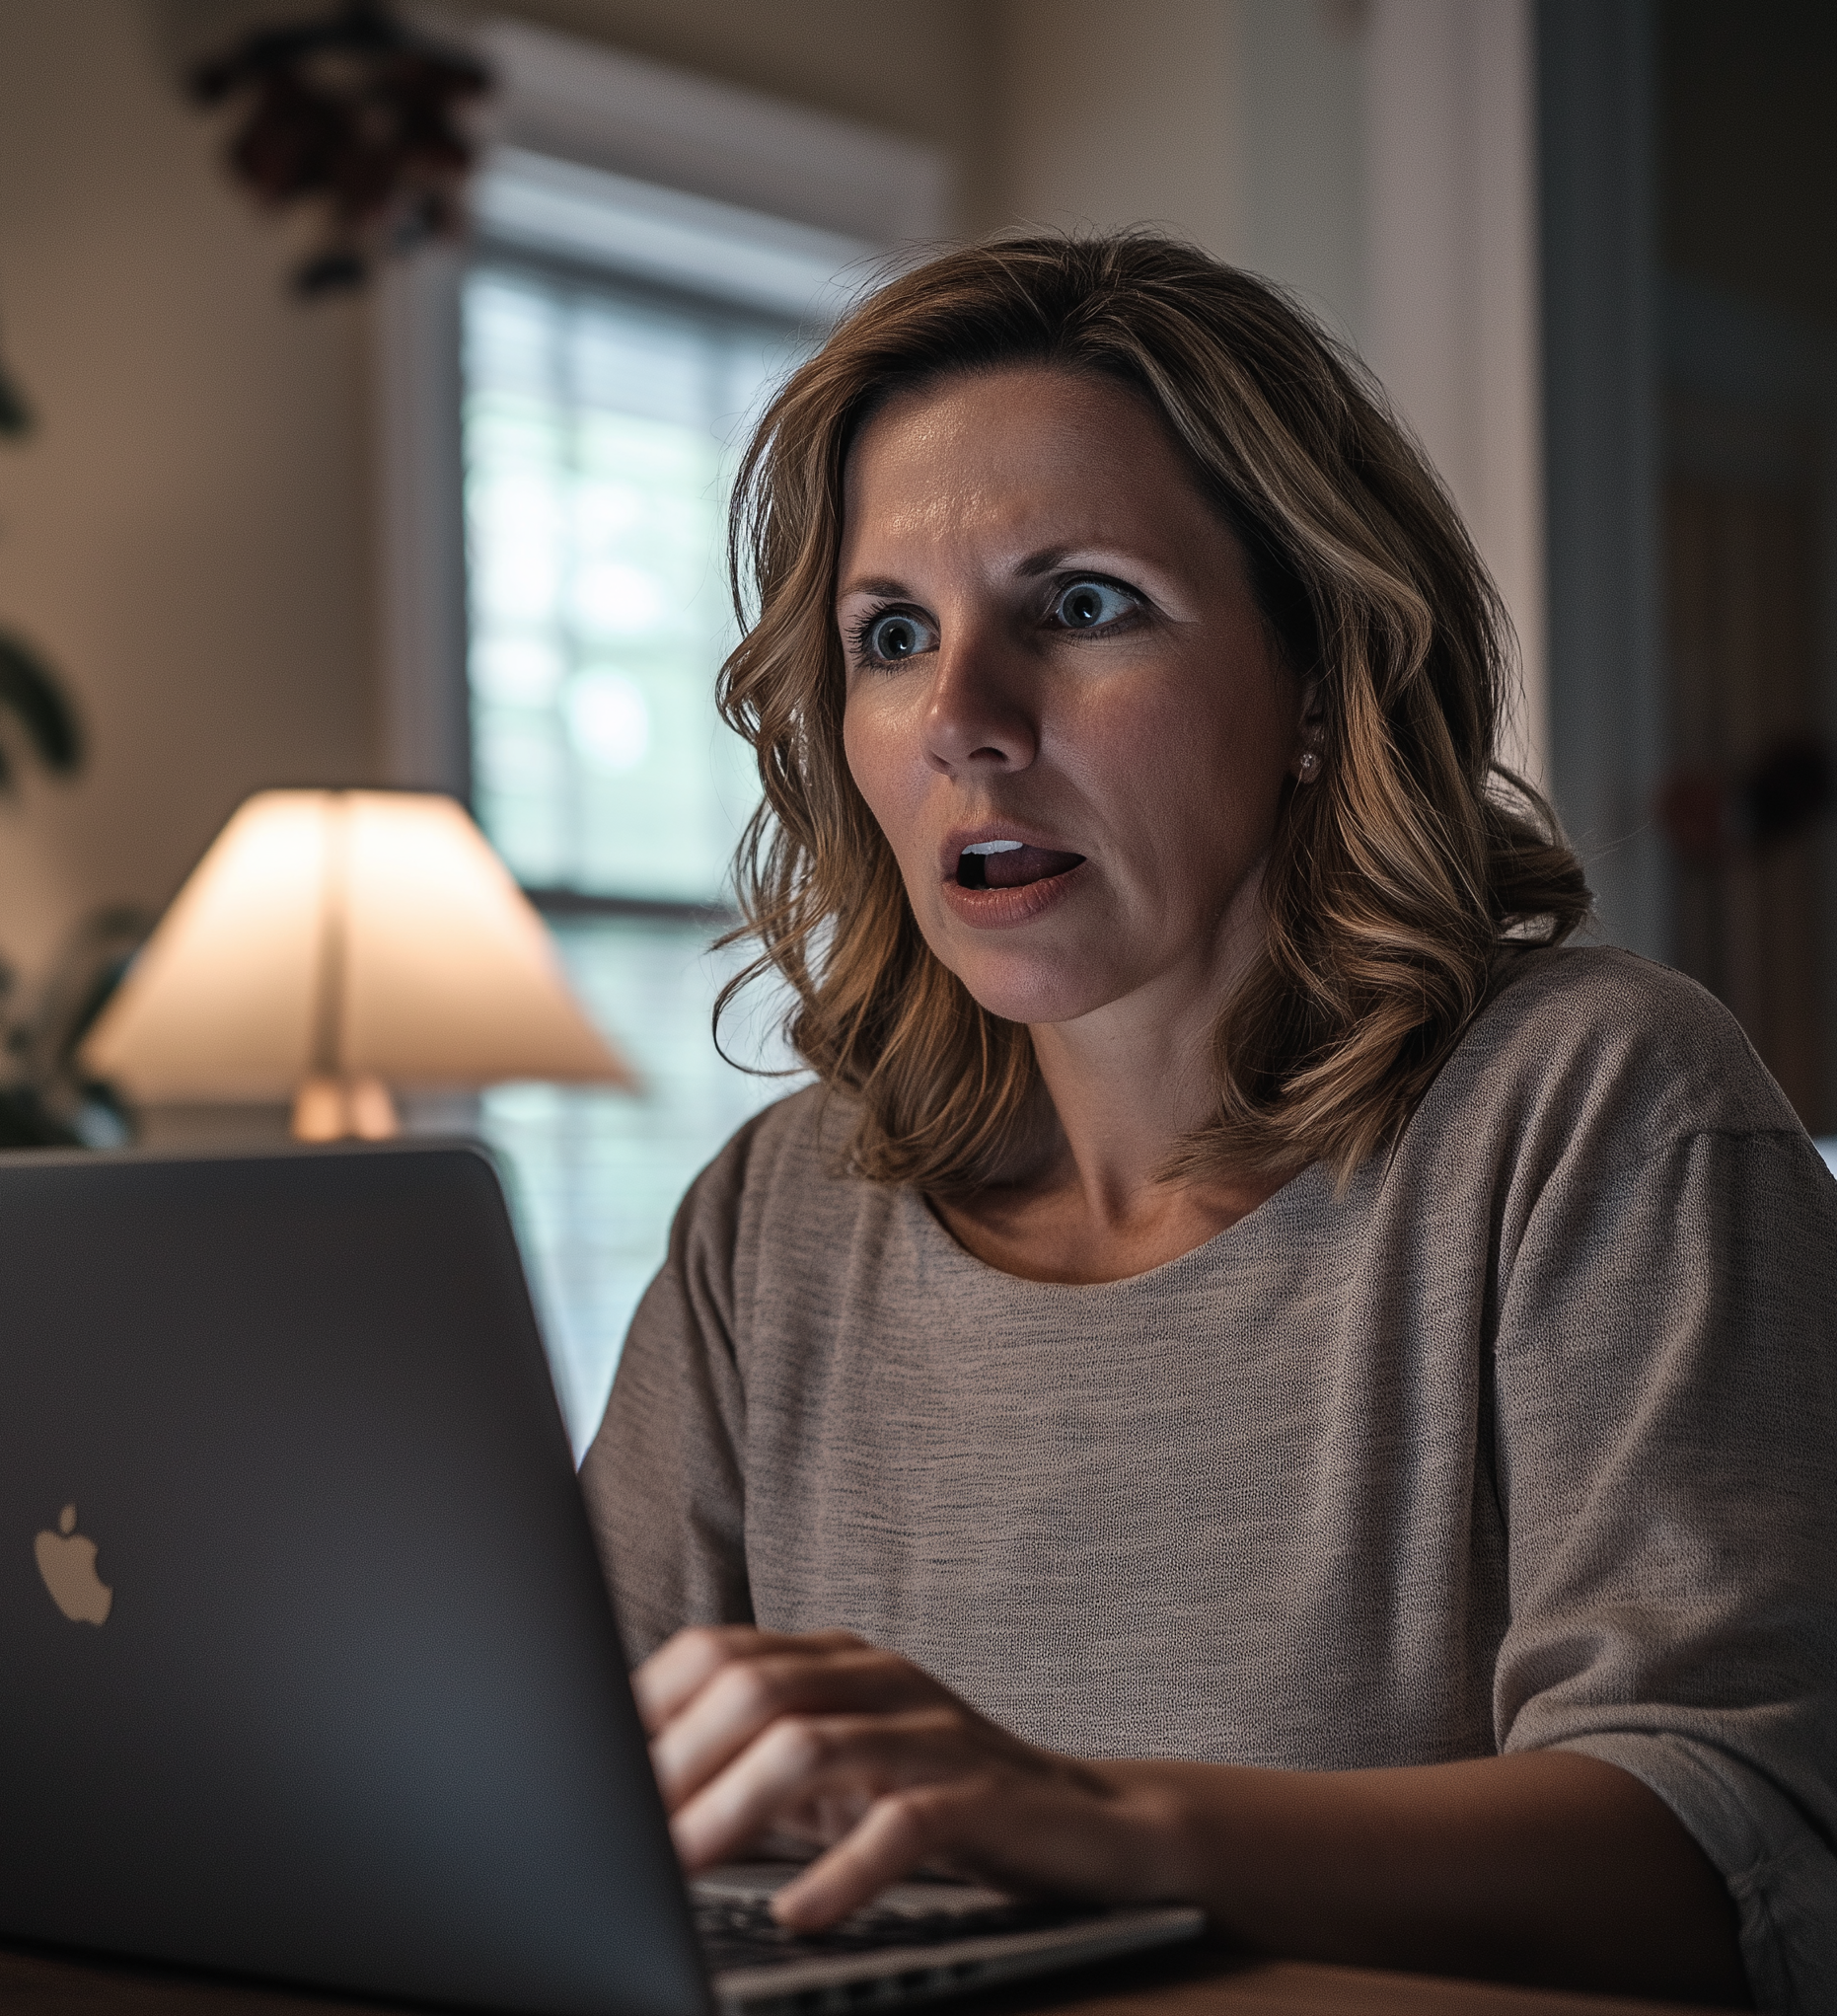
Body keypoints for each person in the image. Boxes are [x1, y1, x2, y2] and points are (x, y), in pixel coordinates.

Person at [578, 234, 1837, 2011]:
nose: (964, 722)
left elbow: (1739, 1859)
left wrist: (1094, 1818)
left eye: (1081, 605)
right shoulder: (775, 1222)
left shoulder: (1600, 1113)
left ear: (1322, 679)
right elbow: (556, 1800)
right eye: (889, 637)